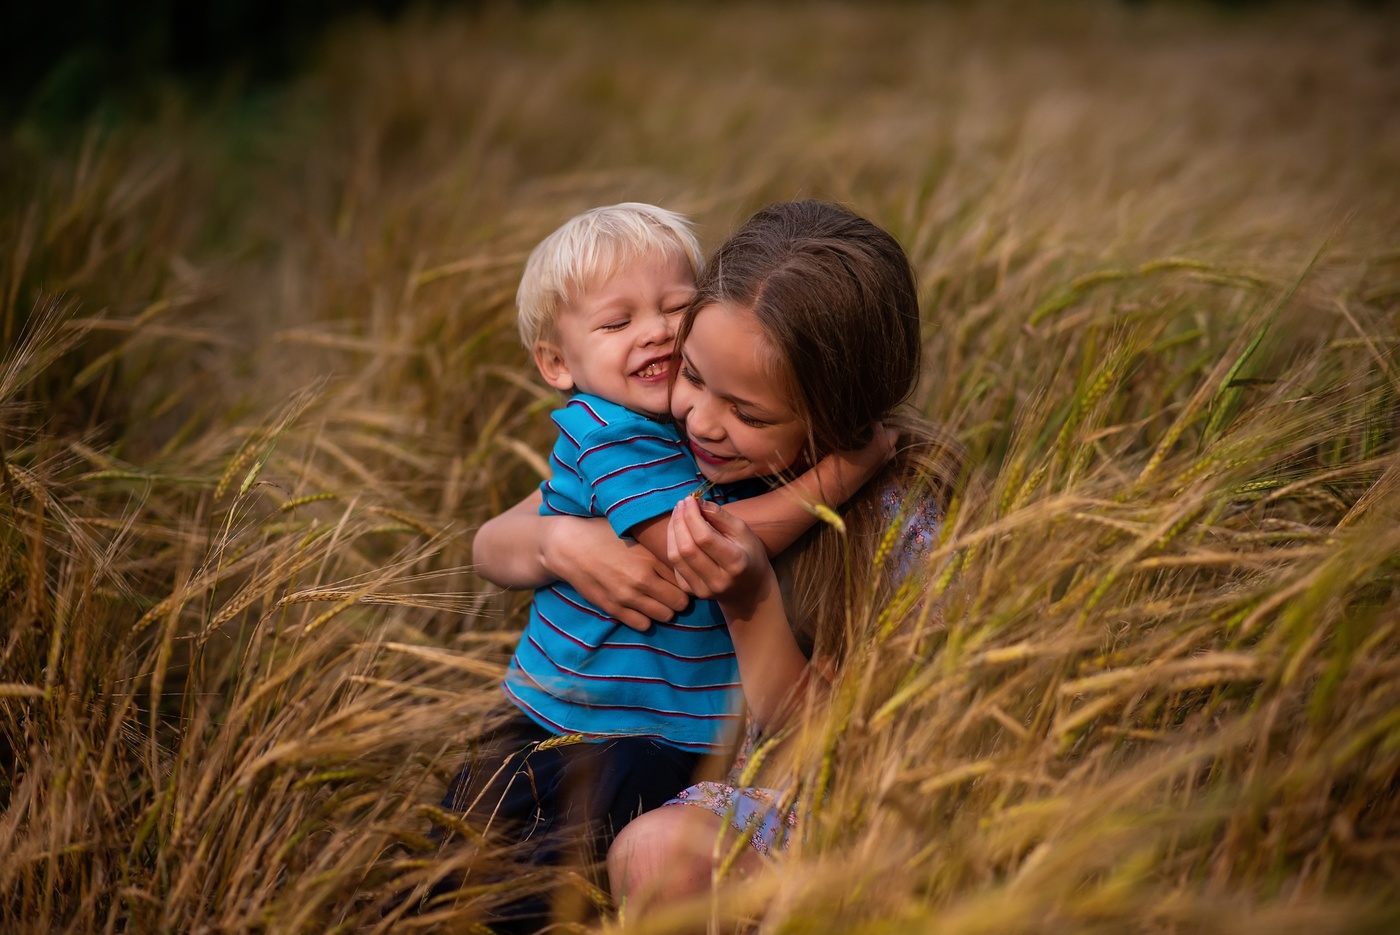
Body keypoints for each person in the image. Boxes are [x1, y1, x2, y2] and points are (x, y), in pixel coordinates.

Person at [479, 200, 967, 919]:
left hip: (804, 792)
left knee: (630, 856)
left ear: (834, 414)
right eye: (694, 376)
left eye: (751, 413)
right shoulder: (664, 444)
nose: (703, 420)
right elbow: (494, 539)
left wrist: (751, 600)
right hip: (612, 748)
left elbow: (842, 747)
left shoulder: (893, 525)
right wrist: (559, 541)